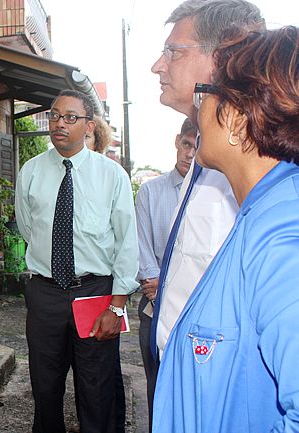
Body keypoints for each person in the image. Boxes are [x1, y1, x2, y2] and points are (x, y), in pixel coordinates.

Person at [154, 26, 299, 433]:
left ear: (235, 119)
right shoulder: (262, 212)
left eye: (205, 96)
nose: (197, 112)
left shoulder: (283, 234)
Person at [15, 89, 139, 433]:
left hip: (95, 293)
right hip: (45, 294)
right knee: (44, 387)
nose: (59, 123)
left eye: (70, 117)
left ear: (88, 126)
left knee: (97, 390)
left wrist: (117, 307)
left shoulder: (111, 176)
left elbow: (127, 243)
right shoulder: (31, 171)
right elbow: (29, 228)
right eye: (54, 115)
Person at [149, 0, 263, 363]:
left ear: (223, 58)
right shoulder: (203, 146)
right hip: (180, 365)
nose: (157, 66)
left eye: (173, 52)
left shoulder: (253, 156)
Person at [135, 118, 196, 431]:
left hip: (198, 312)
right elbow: (143, 252)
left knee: (196, 393)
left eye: (198, 147)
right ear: (177, 141)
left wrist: (173, 287)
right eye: (187, 144)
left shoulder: (213, 196)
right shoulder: (150, 192)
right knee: (157, 387)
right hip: (154, 308)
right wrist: (160, 289)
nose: (190, 154)